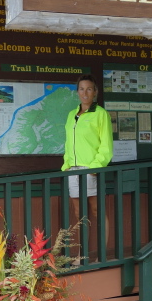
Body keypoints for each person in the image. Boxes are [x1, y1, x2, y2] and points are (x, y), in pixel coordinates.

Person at [61, 74, 113, 252]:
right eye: (81, 89)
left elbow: (106, 146)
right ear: (77, 92)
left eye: (89, 89)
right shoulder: (71, 115)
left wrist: (94, 168)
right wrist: (66, 165)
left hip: (91, 168)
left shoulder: (101, 114)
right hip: (73, 170)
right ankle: (82, 256)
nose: (85, 92)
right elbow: (68, 143)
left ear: (95, 92)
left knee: (97, 212)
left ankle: (101, 255)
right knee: (79, 215)